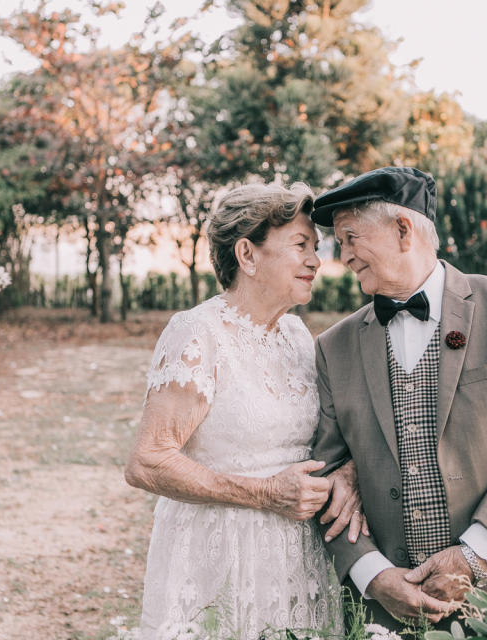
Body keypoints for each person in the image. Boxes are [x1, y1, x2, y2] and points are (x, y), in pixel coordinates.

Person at [310, 167, 487, 630]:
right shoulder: (333, 347)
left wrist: (474, 555)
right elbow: (328, 477)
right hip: (388, 615)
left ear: (402, 229)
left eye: (351, 237)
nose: (345, 256)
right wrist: (374, 577)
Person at [125, 182, 364, 639]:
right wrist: (264, 492)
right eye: (300, 245)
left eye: (317, 247)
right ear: (247, 255)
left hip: (296, 557)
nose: (316, 260)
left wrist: (346, 472)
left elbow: (326, 436)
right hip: (219, 553)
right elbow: (146, 462)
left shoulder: (296, 335)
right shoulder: (198, 333)